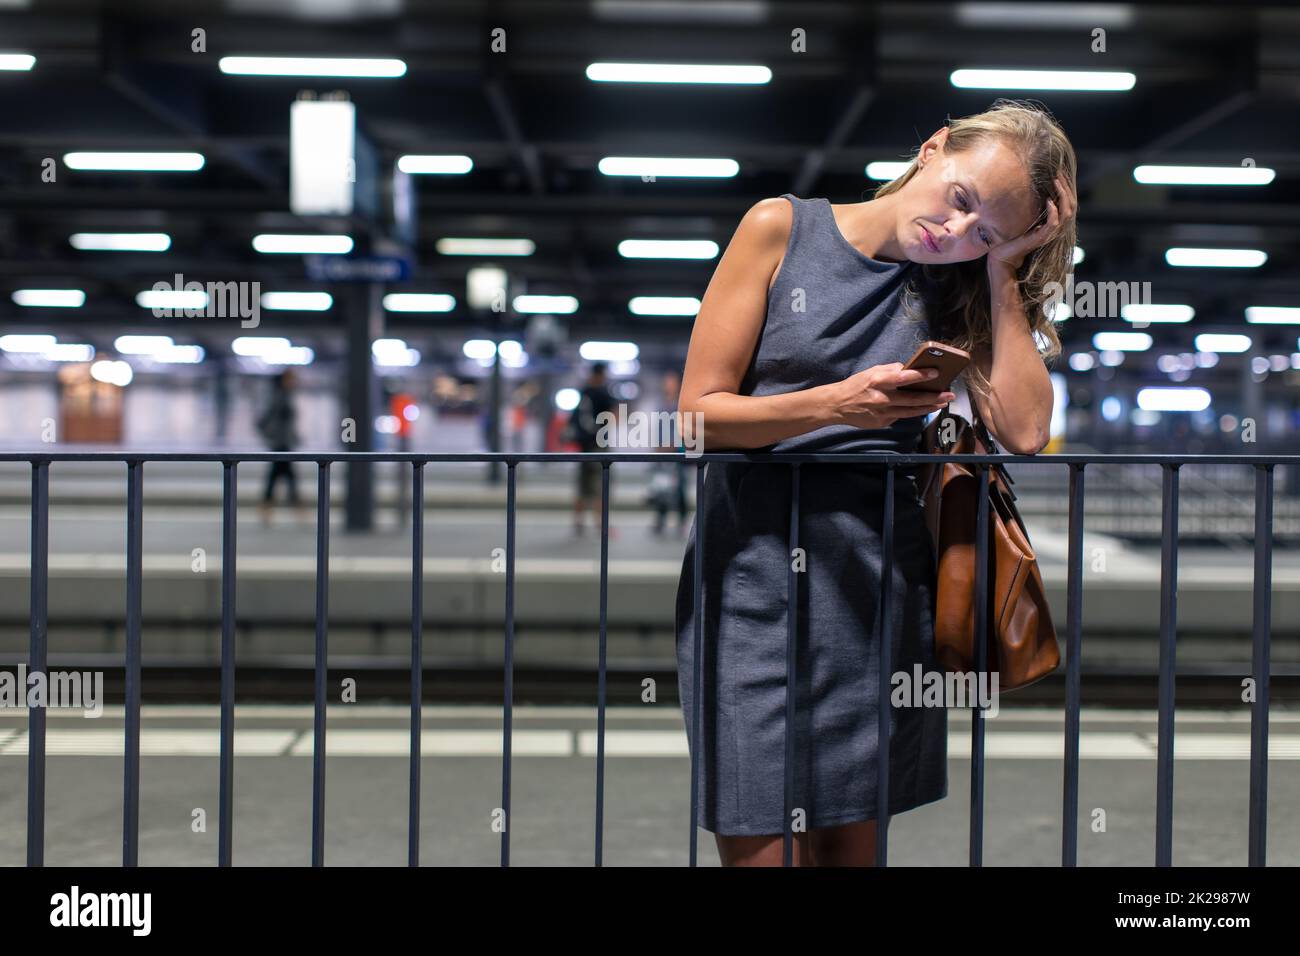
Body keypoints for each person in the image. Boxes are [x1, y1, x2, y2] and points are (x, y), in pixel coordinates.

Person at [675, 98, 1076, 866]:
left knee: (848, 854)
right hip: (751, 584)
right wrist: (837, 404)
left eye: (986, 231)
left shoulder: (957, 284)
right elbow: (696, 417)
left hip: (879, 593)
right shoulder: (780, 228)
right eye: (962, 202)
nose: (955, 233)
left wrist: (1000, 274)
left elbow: (1025, 430)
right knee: (757, 839)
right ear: (931, 150)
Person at [569, 362, 618, 536]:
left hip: (584, 447)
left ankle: (578, 522)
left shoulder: (584, 392)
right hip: (599, 446)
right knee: (601, 486)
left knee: (582, 486)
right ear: (602, 375)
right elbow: (614, 417)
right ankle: (601, 525)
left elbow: (573, 418)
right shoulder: (603, 393)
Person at [256, 369, 305, 525]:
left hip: (284, 443)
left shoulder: (285, 395)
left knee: (279, 475)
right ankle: (295, 507)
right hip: (281, 443)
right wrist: (272, 435)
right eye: (291, 379)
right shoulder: (279, 396)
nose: (294, 382)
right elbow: (266, 419)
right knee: (286, 476)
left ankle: (267, 507)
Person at [647, 370, 690, 535]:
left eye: (671, 382)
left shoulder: (681, 404)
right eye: (666, 382)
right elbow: (658, 429)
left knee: (679, 488)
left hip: (677, 453)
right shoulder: (661, 404)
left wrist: (673, 444)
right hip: (662, 453)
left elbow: (682, 429)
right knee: (661, 488)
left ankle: (682, 521)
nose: (668, 385)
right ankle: (660, 520)